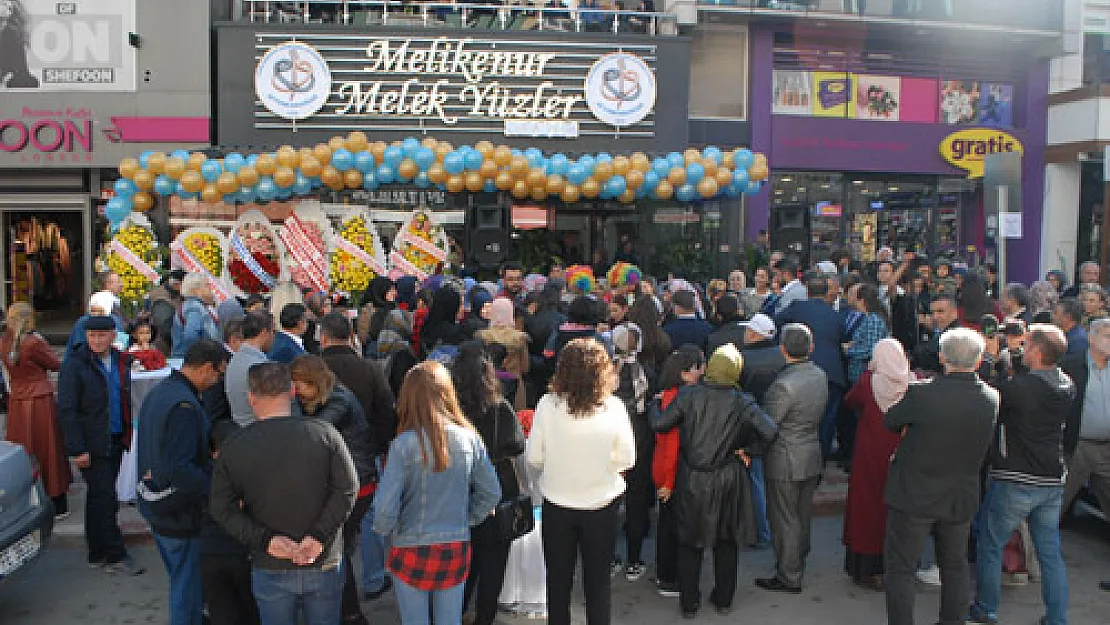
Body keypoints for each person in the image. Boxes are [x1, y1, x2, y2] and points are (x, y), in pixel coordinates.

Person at [210, 362, 358, 625]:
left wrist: (266, 540)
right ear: (291, 391)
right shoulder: (324, 434)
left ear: (251, 398)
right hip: (321, 560)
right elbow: (347, 489)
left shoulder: (235, 447)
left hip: (272, 564)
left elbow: (222, 508)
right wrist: (318, 535)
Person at [882, 328, 999, 625]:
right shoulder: (990, 397)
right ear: (978, 360)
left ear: (942, 358)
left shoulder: (923, 393)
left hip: (914, 493)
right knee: (955, 565)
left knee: (901, 568)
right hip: (959, 493)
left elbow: (891, 421)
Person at [654, 343, 778, 617]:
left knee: (689, 542)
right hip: (728, 478)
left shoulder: (689, 395)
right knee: (726, 541)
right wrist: (748, 451)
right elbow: (769, 431)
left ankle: (689, 603)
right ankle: (724, 599)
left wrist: (654, 404)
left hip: (693, 478)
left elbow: (661, 424)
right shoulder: (742, 400)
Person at [373, 361, 501, 625]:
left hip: (411, 544)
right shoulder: (469, 438)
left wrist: (386, 531)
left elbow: (385, 508)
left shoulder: (402, 446)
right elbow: (491, 492)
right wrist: (467, 519)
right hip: (455, 542)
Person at [526, 338, 636, 625]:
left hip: (557, 504)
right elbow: (627, 458)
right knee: (598, 584)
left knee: (558, 583)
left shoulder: (548, 406)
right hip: (601, 505)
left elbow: (534, 457)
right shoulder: (613, 408)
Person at [970, 325, 1073, 625]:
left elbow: (990, 394)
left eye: (1027, 345)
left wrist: (990, 359)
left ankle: (986, 609)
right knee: (1050, 553)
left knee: (990, 544)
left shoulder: (1021, 389)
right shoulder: (1067, 384)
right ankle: (1057, 618)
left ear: (1038, 351)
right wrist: (1014, 358)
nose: (1022, 348)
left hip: (1016, 477)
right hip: (1052, 479)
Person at [136, 339, 228, 625]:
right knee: (186, 593)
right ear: (205, 369)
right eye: (218, 374)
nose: (217, 381)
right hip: (179, 515)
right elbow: (182, 470)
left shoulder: (163, 392)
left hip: (159, 506)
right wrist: (216, 488)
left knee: (183, 583)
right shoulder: (184, 407)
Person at [289, 355, 378, 625]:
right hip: (353, 481)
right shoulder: (330, 398)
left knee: (336, 550)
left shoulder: (339, 401)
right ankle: (348, 612)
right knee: (339, 549)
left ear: (314, 382)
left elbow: (314, 433)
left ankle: (349, 613)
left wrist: (288, 408)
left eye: (299, 385)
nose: (296, 392)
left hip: (356, 485)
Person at [57, 314, 144, 575]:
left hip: (116, 437)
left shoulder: (120, 360)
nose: (95, 340)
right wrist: (77, 448)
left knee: (98, 497)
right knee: (105, 497)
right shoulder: (75, 363)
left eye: (101, 335)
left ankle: (97, 552)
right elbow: (67, 410)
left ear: (112, 336)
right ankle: (115, 553)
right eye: (91, 335)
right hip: (92, 443)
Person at [451, 343, 526, 625]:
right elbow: (517, 444)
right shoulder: (499, 407)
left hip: (459, 487)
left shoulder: (450, 408)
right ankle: (485, 617)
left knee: (463, 560)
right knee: (493, 562)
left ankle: (455, 612)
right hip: (498, 486)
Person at [756, 324, 827, 594]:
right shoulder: (819, 374)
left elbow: (768, 424)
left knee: (785, 517)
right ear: (810, 347)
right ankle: (796, 561)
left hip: (786, 456)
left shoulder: (784, 386)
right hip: (810, 451)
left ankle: (789, 573)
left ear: (783, 349)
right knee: (801, 514)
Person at [842, 338, 912, 592]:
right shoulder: (910, 384)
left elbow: (850, 401)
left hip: (868, 454)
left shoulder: (868, 382)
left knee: (865, 507)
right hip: (899, 454)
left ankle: (864, 567)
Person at [1, 303, 71, 519]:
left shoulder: (5, 341)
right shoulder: (33, 343)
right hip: (39, 400)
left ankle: (24, 499)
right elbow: (55, 364)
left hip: (18, 400)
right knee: (48, 449)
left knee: (22, 450)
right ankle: (57, 500)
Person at [650, 346, 705, 598]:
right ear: (684, 373)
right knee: (673, 528)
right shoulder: (679, 399)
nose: (701, 371)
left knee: (667, 525)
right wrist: (669, 483)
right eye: (697, 368)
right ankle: (669, 577)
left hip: (663, 469)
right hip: (673, 473)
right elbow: (672, 445)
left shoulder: (666, 397)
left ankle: (665, 574)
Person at [777, 275, 848, 462]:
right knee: (826, 421)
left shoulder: (797, 307)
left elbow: (776, 321)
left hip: (802, 371)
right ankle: (820, 459)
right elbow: (843, 337)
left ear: (807, 292)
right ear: (826, 294)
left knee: (799, 418)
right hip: (832, 373)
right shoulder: (836, 315)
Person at [201, 420, 261, 625]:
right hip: (242, 553)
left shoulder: (202, 476)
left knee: (221, 612)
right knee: (251, 611)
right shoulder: (250, 473)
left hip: (210, 553)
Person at [610, 323, 654, 580]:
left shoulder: (605, 373)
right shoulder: (647, 372)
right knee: (637, 503)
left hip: (609, 441)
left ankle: (609, 557)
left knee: (609, 502)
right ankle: (634, 560)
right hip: (640, 441)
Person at [1059, 318, 1110, 518]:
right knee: (1056, 505)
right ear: (1091, 338)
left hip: (1106, 450)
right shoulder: (1071, 365)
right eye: (1107, 336)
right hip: (1076, 448)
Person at [476, 298, 530, 410]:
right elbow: (525, 367)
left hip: (489, 384)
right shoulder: (519, 338)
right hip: (515, 386)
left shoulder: (482, 336)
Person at [224, 311, 274, 427]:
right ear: (264, 333)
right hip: (258, 431)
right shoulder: (258, 365)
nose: (273, 336)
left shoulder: (235, 360)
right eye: (273, 332)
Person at [845, 283, 890, 386]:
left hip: (864, 377)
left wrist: (848, 350)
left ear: (861, 301)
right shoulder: (868, 318)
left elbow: (870, 349)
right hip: (859, 377)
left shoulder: (873, 320)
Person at [171, 273, 220, 360]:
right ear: (197, 290)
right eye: (207, 286)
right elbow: (191, 336)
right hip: (192, 362)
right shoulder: (194, 307)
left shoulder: (193, 305)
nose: (211, 289)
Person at [912, 294, 960, 374]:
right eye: (932, 313)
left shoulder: (955, 335)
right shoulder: (938, 331)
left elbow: (929, 354)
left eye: (940, 311)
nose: (935, 317)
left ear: (954, 313)